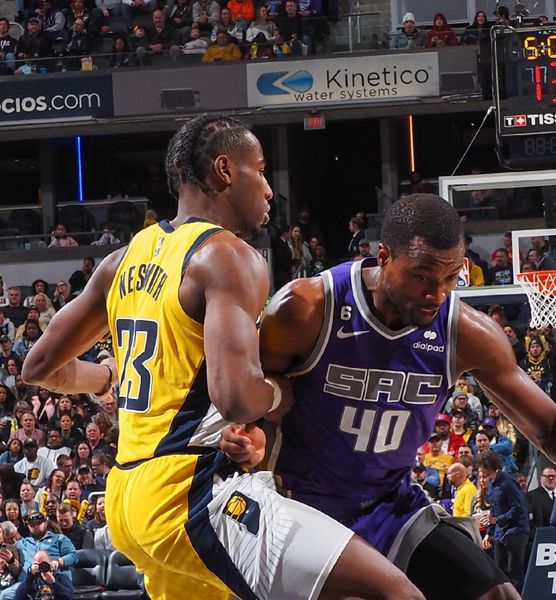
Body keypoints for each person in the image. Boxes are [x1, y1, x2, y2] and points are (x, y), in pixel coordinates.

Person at [21, 115, 426, 600]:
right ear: (225, 170)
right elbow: (237, 399)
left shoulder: (123, 259)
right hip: (189, 494)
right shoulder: (227, 256)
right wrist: (281, 390)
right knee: (390, 590)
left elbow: (39, 368)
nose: (270, 190)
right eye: (260, 169)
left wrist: (107, 378)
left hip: (128, 499)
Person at [238, 193, 556, 600]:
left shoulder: (466, 332)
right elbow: (245, 395)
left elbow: (547, 426)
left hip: (391, 507)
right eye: (423, 277)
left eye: (452, 276)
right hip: (301, 507)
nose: (438, 292)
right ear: (384, 257)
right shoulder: (307, 308)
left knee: (499, 596)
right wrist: (250, 433)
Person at [476, 452, 529, 592]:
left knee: (515, 572)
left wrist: (496, 519)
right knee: (499, 570)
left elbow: (518, 509)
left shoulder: (508, 482)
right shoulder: (491, 485)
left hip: (516, 531)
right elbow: (494, 509)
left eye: (482, 466)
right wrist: (489, 532)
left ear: (490, 466)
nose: (480, 470)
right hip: (500, 532)